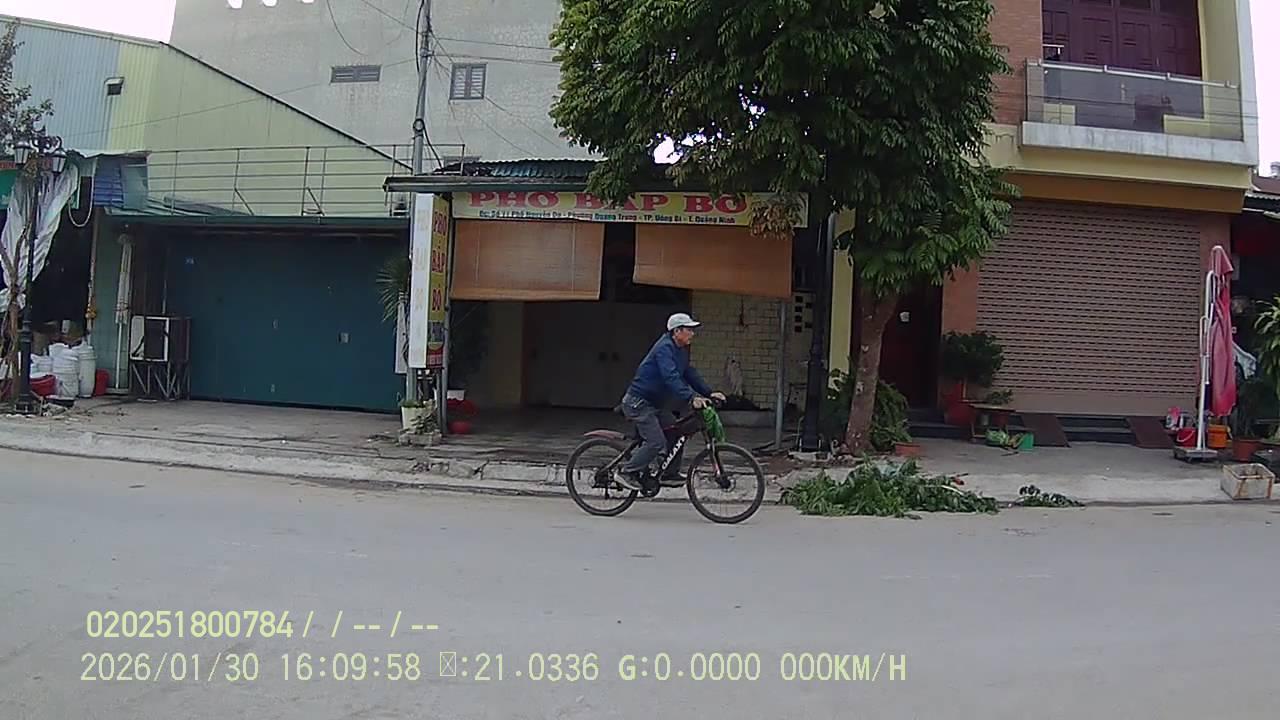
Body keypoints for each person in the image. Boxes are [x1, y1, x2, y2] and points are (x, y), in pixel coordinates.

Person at [615, 313, 725, 491]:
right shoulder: (664, 348)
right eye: (689, 330)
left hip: (654, 404)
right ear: (677, 331)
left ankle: (669, 473)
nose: (692, 334)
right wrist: (691, 397)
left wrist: (709, 392)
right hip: (639, 403)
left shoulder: (680, 350)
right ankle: (627, 472)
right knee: (656, 442)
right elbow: (671, 377)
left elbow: (689, 373)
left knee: (676, 430)